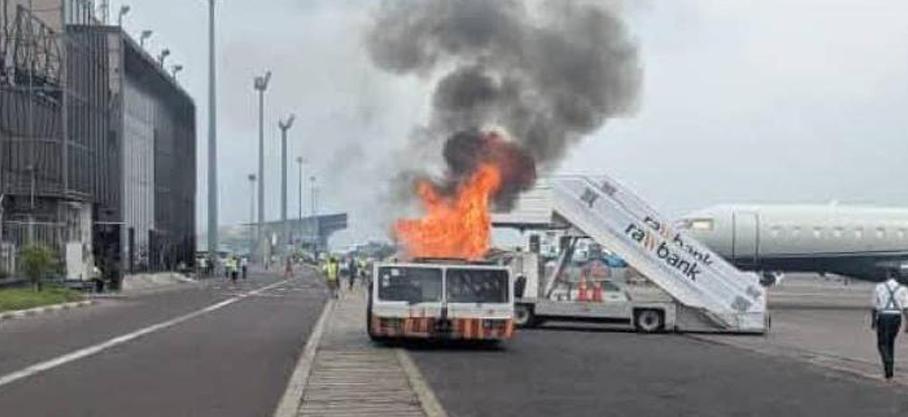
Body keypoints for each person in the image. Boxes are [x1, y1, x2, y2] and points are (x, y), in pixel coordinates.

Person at [871, 270, 908, 381]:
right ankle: (889, 372)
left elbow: (874, 306)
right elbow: (906, 308)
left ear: (888, 275)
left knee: (882, 343)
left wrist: (873, 321)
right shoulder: (903, 289)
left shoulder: (879, 287)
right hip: (896, 317)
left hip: (883, 316)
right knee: (890, 342)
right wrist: (907, 323)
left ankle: (887, 362)